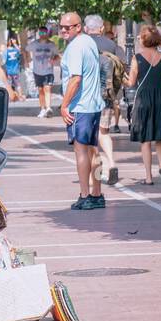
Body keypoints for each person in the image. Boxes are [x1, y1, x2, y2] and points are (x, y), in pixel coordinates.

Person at [58, 11, 105, 209]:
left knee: (81, 152)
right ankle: (97, 193)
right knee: (94, 151)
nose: (62, 31)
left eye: (67, 28)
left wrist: (64, 105)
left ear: (78, 27)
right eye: (60, 27)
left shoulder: (76, 47)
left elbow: (75, 79)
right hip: (94, 105)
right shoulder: (88, 42)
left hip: (81, 107)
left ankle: (85, 195)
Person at [126, 25, 161, 184]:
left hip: (144, 98)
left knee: (145, 140)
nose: (138, 39)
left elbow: (131, 82)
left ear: (145, 40)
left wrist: (122, 77)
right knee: (160, 136)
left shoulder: (137, 58)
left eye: (140, 37)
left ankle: (148, 177)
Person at [86, 14, 122, 185]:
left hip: (87, 96)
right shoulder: (111, 44)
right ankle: (112, 163)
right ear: (101, 29)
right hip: (106, 95)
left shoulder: (82, 44)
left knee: (90, 137)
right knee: (104, 132)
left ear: (86, 28)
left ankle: (97, 175)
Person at [27, 27, 58, 118]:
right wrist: (27, 60)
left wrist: (53, 59)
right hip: (37, 71)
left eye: (44, 33)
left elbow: (57, 55)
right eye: (40, 33)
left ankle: (48, 108)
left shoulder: (51, 45)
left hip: (48, 71)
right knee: (41, 90)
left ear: (47, 33)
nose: (42, 35)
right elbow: (25, 50)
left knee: (47, 88)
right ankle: (42, 109)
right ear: (38, 34)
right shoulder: (34, 44)